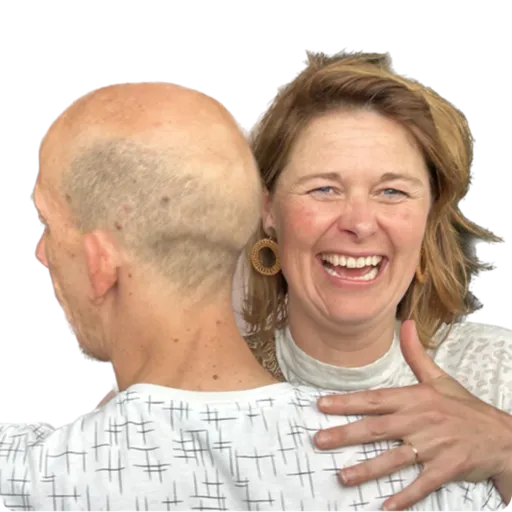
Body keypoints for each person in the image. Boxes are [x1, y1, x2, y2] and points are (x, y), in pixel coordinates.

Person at [0, 80, 505, 512]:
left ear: (430, 214)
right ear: (264, 209)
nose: (359, 222)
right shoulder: (201, 369)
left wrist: (505, 448)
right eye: (324, 189)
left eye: (392, 191)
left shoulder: (496, 369)